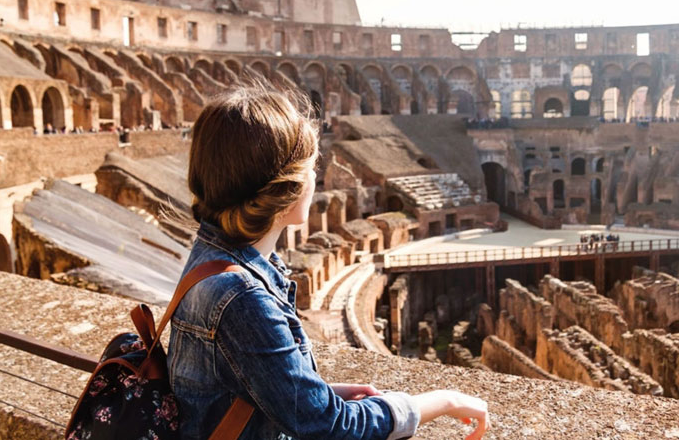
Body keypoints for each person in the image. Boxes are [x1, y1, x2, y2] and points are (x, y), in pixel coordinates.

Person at [167, 84, 490, 440]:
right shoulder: (242, 296)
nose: (315, 177)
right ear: (287, 187)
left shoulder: (217, 254)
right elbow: (328, 428)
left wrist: (323, 395)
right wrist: (442, 400)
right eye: (311, 166)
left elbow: (235, 380)